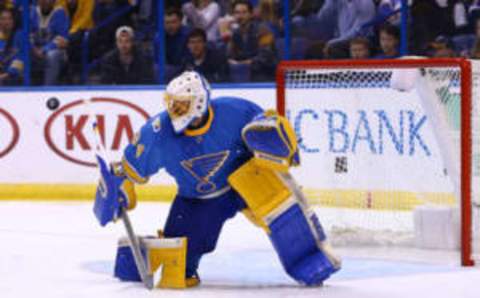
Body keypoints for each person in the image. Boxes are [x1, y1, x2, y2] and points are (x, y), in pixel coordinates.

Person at [96, 71, 341, 288]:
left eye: (181, 105)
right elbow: (129, 170)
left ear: (200, 103)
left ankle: (309, 256)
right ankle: (147, 254)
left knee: (283, 211)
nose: (173, 111)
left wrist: (277, 141)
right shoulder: (156, 134)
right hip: (199, 199)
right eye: (171, 104)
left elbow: (268, 130)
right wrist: (119, 186)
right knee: (179, 270)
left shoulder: (235, 111)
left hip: (247, 179)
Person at [30, 0, 70, 85]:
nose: (46, 2)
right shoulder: (32, 12)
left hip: (55, 51)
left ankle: (47, 88)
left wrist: (45, 49)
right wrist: (33, 48)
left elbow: (62, 38)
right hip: (35, 50)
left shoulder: (60, 12)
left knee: (52, 55)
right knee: (23, 54)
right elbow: (27, 34)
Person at [0, 8, 22, 85]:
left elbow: (20, 59)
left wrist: (4, 76)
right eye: (3, 19)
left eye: (9, 19)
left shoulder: (20, 36)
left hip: (15, 77)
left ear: (13, 21)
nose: (6, 22)